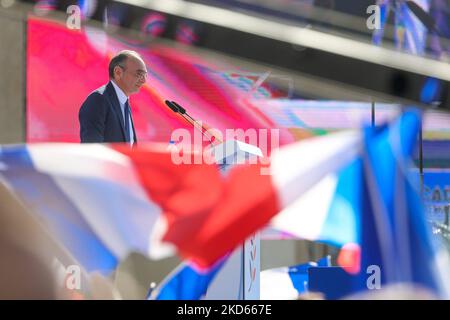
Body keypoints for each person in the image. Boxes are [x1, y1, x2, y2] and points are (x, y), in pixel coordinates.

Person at [79, 50, 147, 145]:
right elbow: (92, 149)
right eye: (139, 74)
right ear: (118, 72)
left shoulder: (124, 104)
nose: (143, 80)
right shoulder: (98, 100)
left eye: (145, 75)